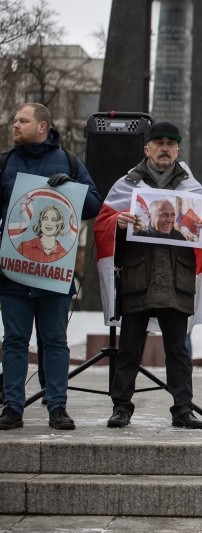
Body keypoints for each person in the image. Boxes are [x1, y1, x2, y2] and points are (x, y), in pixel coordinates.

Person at [105, 121, 202, 429]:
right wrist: (119, 223)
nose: (165, 148)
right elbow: (104, 223)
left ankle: (183, 408)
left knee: (177, 349)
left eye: (171, 143)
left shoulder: (191, 188)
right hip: (138, 276)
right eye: (159, 143)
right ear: (147, 149)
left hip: (176, 279)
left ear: (178, 149)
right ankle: (121, 407)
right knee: (129, 347)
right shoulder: (127, 185)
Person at [0, 103, 102, 431]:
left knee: (55, 340)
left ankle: (58, 407)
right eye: (15, 120)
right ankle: (13, 407)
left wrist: (71, 189)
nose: (15, 125)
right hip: (13, 273)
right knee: (15, 341)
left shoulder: (69, 162)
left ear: (42, 127)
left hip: (54, 273)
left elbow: (94, 205)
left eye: (22, 120)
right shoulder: (4, 163)